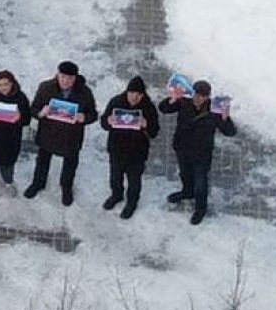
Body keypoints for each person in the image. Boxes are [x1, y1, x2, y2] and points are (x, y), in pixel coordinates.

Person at [161, 78, 239, 224]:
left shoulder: (214, 111)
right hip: (182, 148)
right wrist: (172, 99)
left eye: (202, 96)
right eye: (196, 95)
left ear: (207, 97)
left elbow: (230, 132)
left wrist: (225, 118)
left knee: (200, 182)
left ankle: (200, 209)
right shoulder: (184, 102)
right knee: (185, 174)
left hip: (201, 154)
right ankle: (186, 192)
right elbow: (163, 109)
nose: (197, 98)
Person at [25, 61, 98, 205]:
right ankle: (38, 183)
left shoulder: (85, 92)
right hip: (49, 133)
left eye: (70, 78)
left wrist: (84, 118)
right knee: (42, 161)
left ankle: (66, 187)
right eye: (63, 77)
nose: (65, 81)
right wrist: (41, 113)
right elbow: (33, 109)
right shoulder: (45, 87)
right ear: (57, 74)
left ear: (75, 78)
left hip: (71, 136)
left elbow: (93, 114)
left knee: (70, 164)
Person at [100, 77, 157, 217]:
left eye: (138, 95)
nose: (134, 98)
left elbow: (155, 131)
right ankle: (116, 195)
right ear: (127, 92)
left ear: (143, 95)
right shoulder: (116, 102)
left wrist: (147, 125)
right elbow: (103, 121)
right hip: (117, 149)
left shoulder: (148, 107)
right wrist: (108, 121)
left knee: (134, 181)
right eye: (131, 93)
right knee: (115, 177)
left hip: (137, 153)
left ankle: (132, 202)